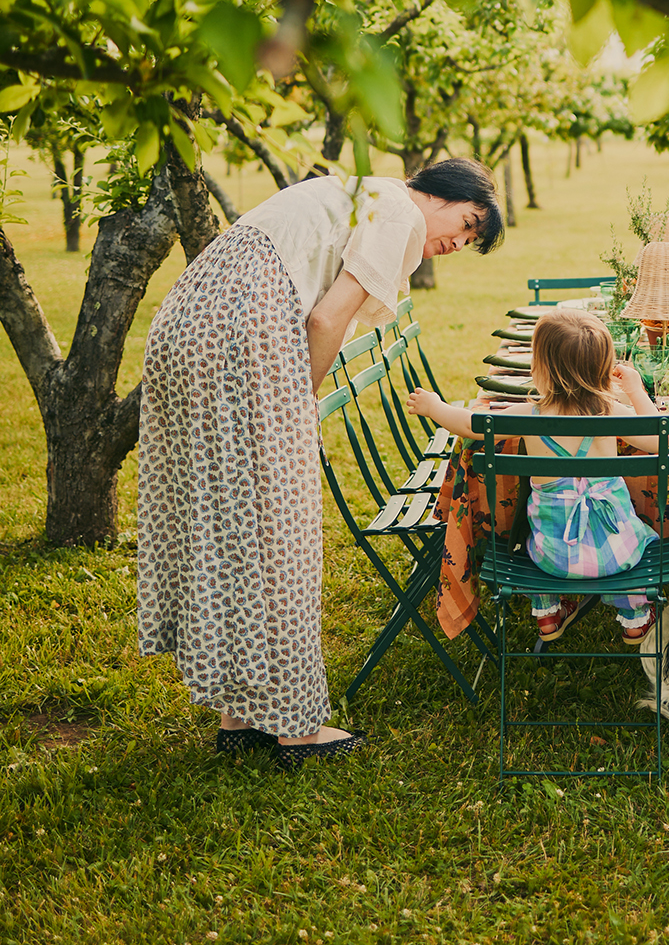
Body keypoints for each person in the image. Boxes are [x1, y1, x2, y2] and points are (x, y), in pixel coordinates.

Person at [137, 158, 503, 769]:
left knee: (232, 517)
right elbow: (327, 317)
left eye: (468, 243)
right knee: (282, 525)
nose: (454, 244)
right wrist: (298, 399)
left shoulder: (359, 192)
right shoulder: (400, 214)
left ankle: (242, 713)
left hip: (191, 321)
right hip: (241, 332)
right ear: (438, 193)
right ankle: (295, 729)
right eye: (464, 224)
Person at [409, 309, 661, 645]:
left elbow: (469, 424)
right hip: (619, 553)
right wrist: (636, 389)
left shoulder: (528, 414)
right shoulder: (610, 411)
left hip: (553, 557)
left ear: (541, 368)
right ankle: (635, 620)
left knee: (531, 534)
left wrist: (433, 405)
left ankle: (548, 611)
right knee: (639, 533)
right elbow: (658, 436)